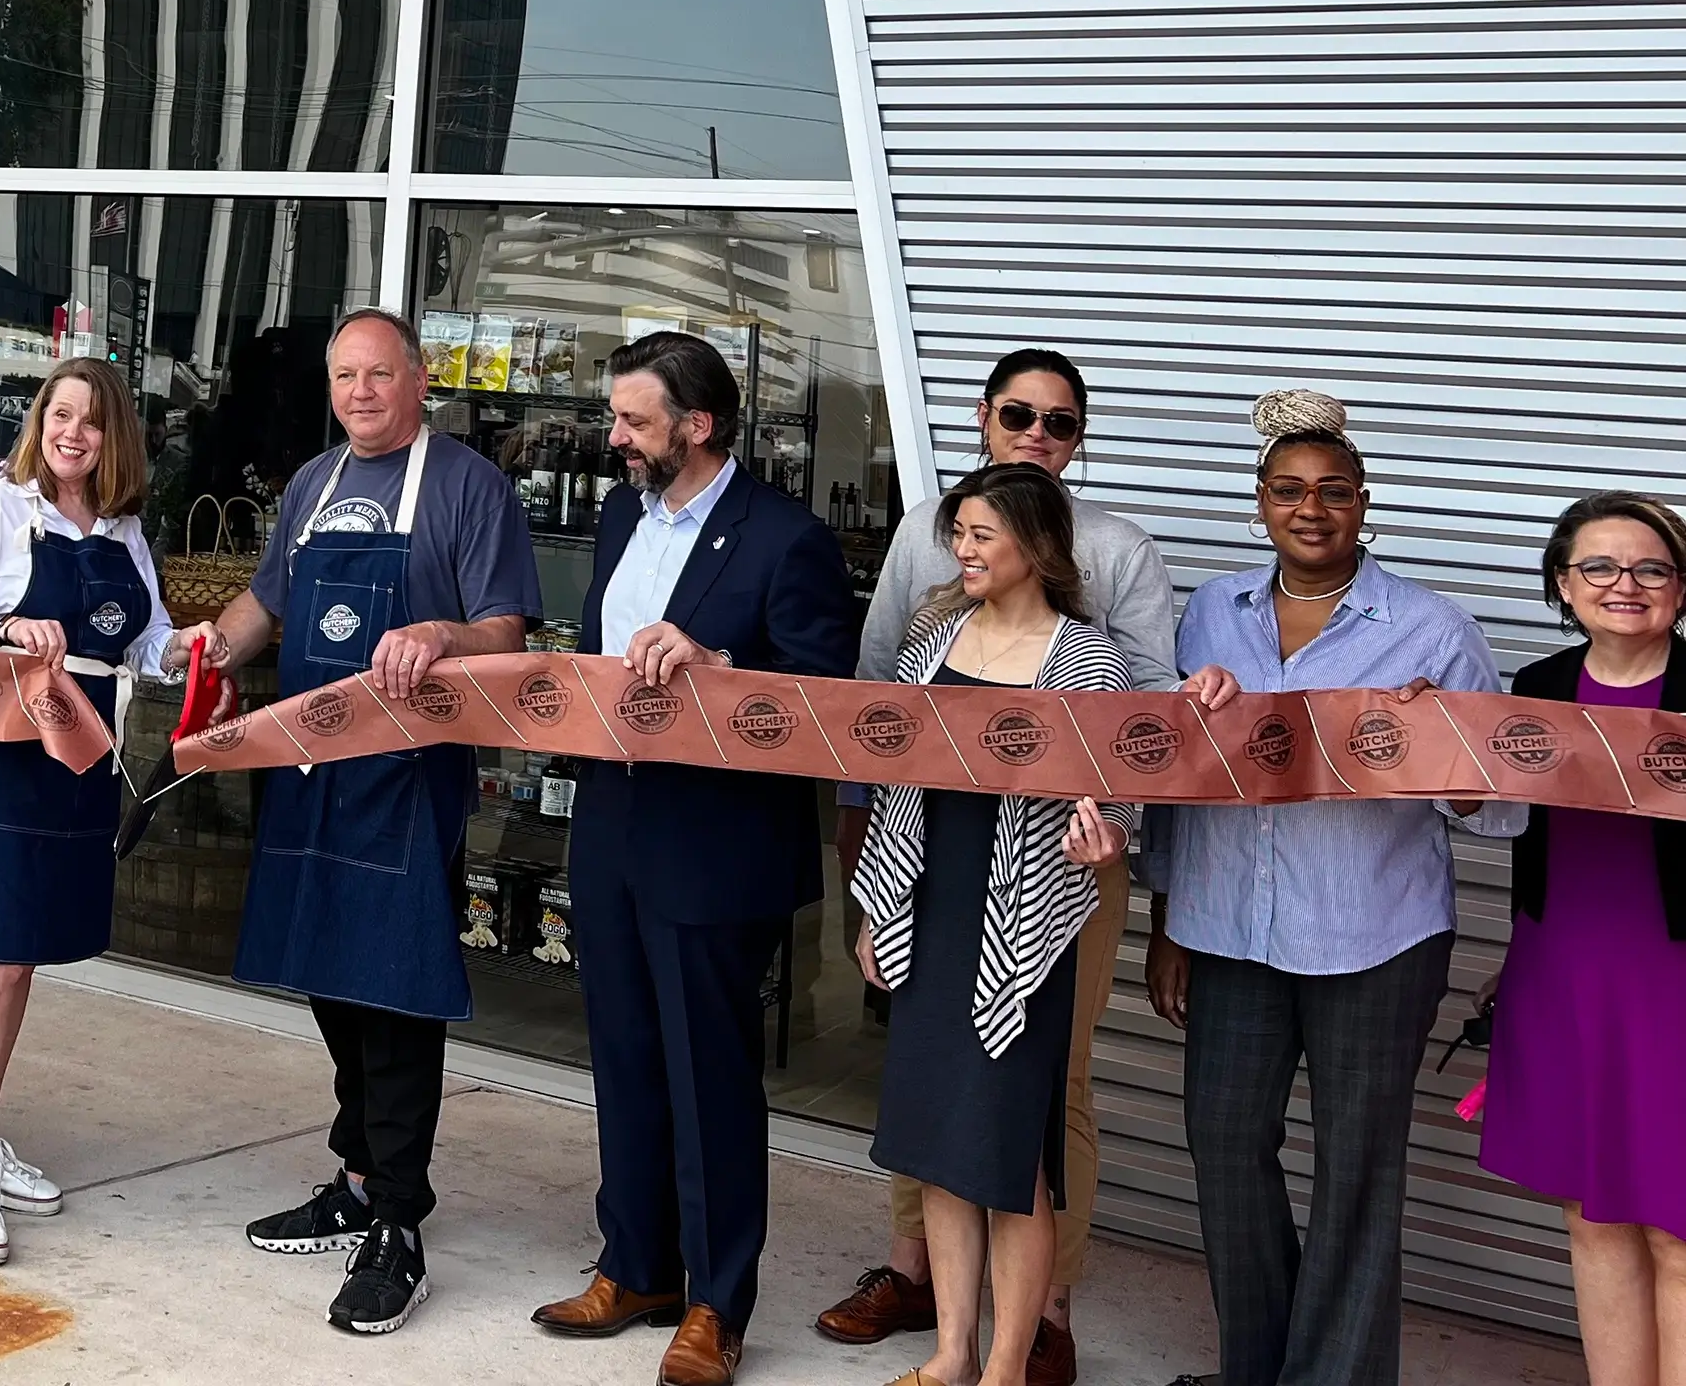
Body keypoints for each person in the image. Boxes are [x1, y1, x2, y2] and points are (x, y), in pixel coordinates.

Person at [1141, 391, 1522, 1386]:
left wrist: (1436, 750)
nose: (1311, 508)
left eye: (1334, 490)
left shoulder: (1434, 628)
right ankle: (1256, 1366)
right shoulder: (1210, 611)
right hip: (1226, 926)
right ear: (1259, 501)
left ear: (1366, 504)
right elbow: (1183, 774)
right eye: (1288, 489)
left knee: (1357, 1168)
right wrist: (1169, 914)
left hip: (1375, 936)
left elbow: (1501, 804)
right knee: (1225, 1145)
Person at [170, 308, 538, 1337]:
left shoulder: (470, 485)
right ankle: (358, 1170)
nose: (361, 392)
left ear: (420, 381)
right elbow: (268, 606)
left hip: (408, 779)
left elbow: (504, 630)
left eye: (381, 374)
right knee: (329, 972)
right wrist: (201, 650)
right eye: (344, 376)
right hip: (306, 765)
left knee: (396, 987)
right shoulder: (313, 483)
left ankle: (400, 1221)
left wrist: (438, 631)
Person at [818, 349, 1177, 1386]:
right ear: (986, 417)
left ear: (1030, 544)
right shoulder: (936, 635)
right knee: (934, 1131)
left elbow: (1129, 748)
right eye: (1019, 413)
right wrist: (874, 893)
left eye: (981, 536)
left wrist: (1113, 828)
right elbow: (884, 740)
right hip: (933, 893)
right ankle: (948, 1348)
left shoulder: (1091, 651)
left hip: (1036, 905)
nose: (963, 547)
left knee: (1021, 1143)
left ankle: (1015, 1355)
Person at [526, 331, 856, 1385]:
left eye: (633, 420)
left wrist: (717, 667)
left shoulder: (785, 536)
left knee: (708, 1074)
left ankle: (718, 1301)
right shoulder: (624, 510)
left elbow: (819, 703)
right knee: (622, 1052)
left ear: (698, 425)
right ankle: (635, 1265)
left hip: (716, 838)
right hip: (614, 816)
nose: (613, 437)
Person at [0, 357, 191, 1265]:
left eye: (92, 421)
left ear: (116, 438)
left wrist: (187, 648)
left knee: (25, 961)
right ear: (41, 422)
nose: (73, 433)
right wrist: (3, 631)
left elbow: (143, 644)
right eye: (59, 415)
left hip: (80, 765)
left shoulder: (124, 531)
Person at [1481, 493, 1686, 1386]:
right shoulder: (1537, 688)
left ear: (1680, 588)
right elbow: (1492, 808)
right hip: (1562, 966)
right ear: (1564, 585)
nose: (1625, 585)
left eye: (1650, 568)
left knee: (1677, 1227)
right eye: (1598, 567)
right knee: (1593, 1216)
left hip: (1672, 976)